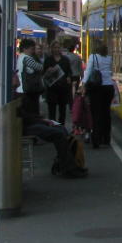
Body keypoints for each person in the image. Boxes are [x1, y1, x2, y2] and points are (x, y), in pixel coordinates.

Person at [18, 38, 86, 178]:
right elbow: (40, 68)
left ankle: (67, 164)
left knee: (60, 128)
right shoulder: (25, 61)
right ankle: (68, 167)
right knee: (59, 132)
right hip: (28, 123)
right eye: (32, 48)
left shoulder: (17, 93)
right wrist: (42, 120)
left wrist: (41, 119)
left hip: (30, 118)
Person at [80, 43, 115, 149]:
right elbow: (111, 72)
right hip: (109, 87)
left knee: (96, 114)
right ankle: (106, 138)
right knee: (106, 113)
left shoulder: (93, 57)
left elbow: (88, 71)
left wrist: (83, 85)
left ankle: (96, 139)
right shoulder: (109, 58)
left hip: (97, 88)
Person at [42, 40, 73, 126]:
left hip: (63, 88)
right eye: (55, 47)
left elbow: (69, 71)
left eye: (58, 47)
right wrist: (48, 71)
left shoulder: (65, 60)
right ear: (52, 49)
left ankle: (61, 127)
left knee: (62, 110)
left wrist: (69, 77)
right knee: (52, 110)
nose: (57, 49)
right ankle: (53, 127)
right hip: (52, 88)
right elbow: (43, 73)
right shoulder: (48, 60)